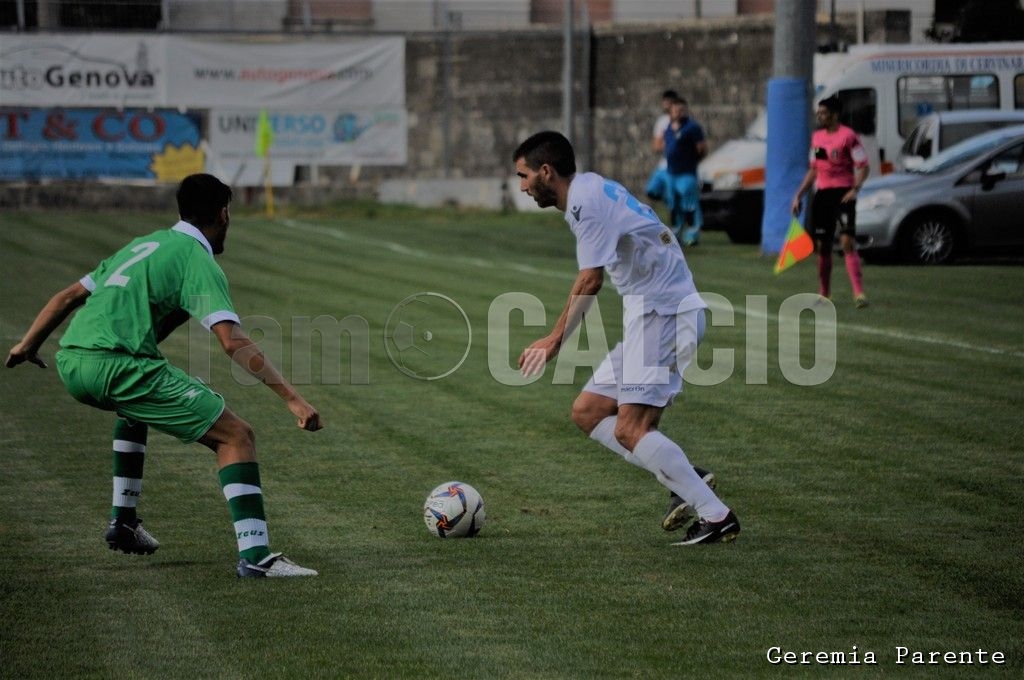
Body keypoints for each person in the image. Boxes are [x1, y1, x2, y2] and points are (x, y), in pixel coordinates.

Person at [5, 173, 323, 578]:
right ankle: (257, 558)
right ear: (224, 214)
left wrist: (27, 344)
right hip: (119, 365)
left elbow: (68, 296)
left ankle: (123, 521)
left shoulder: (145, 243)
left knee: (136, 409)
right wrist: (292, 398)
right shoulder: (195, 257)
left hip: (72, 361)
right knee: (236, 435)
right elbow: (231, 341)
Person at [512, 131, 739, 545]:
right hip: (652, 314)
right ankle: (688, 479)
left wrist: (554, 340)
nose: (522, 186)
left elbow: (590, 279)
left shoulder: (584, 203)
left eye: (524, 176)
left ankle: (716, 516)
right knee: (588, 412)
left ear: (546, 172)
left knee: (629, 429)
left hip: (664, 314)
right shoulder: (589, 190)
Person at [791, 96, 870, 308]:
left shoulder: (849, 136)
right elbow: (816, 168)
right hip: (823, 195)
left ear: (835, 115)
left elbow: (863, 165)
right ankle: (825, 294)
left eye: (823, 113)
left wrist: (855, 188)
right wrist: (799, 195)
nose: (819, 116)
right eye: (819, 113)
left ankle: (859, 293)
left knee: (846, 242)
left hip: (843, 194)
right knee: (823, 246)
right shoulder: (817, 138)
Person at [663, 96, 708, 247]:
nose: (678, 113)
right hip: (671, 173)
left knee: (689, 204)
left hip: (687, 173)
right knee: (674, 204)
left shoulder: (692, 127)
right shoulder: (669, 127)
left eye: (681, 110)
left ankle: (693, 234)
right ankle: (676, 233)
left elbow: (702, 149)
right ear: (671, 111)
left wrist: (691, 161)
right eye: (675, 110)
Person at [644, 89, 678, 204]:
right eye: (664, 101)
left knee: (671, 196)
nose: (665, 104)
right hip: (663, 165)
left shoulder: (682, 120)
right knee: (651, 190)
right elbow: (656, 145)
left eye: (668, 101)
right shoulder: (662, 121)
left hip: (675, 166)